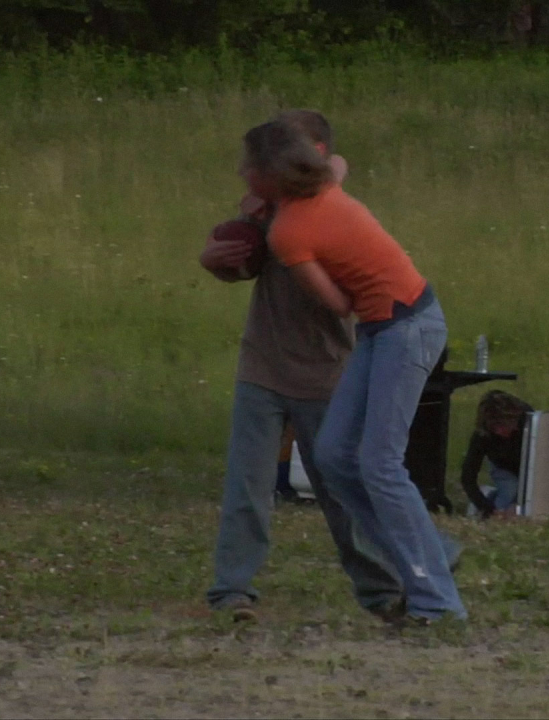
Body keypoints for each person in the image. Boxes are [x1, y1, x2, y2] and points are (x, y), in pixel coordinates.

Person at [250, 118, 466, 624]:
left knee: (379, 464)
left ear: (271, 174)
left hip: (406, 328)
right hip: (383, 328)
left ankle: (437, 603)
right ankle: (429, 556)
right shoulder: (327, 184)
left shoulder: (287, 233)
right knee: (332, 456)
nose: (242, 173)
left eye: (249, 167)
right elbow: (339, 164)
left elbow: (338, 304)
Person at [200, 110, 404, 623]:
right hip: (263, 363)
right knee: (247, 485)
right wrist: (219, 258)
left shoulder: (330, 211)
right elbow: (237, 259)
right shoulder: (267, 210)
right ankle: (232, 591)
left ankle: (383, 591)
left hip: (326, 368)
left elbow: (337, 169)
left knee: (339, 490)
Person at [461, 389, 534, 518]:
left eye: (508, 425)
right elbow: (468, 477)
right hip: (502, 466)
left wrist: (517, 504)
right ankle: (489, 499)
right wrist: (487, 508)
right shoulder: (482, 436)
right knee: (509, 490)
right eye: (497, 428)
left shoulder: (529, 421)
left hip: (532, 465)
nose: (502, 432)